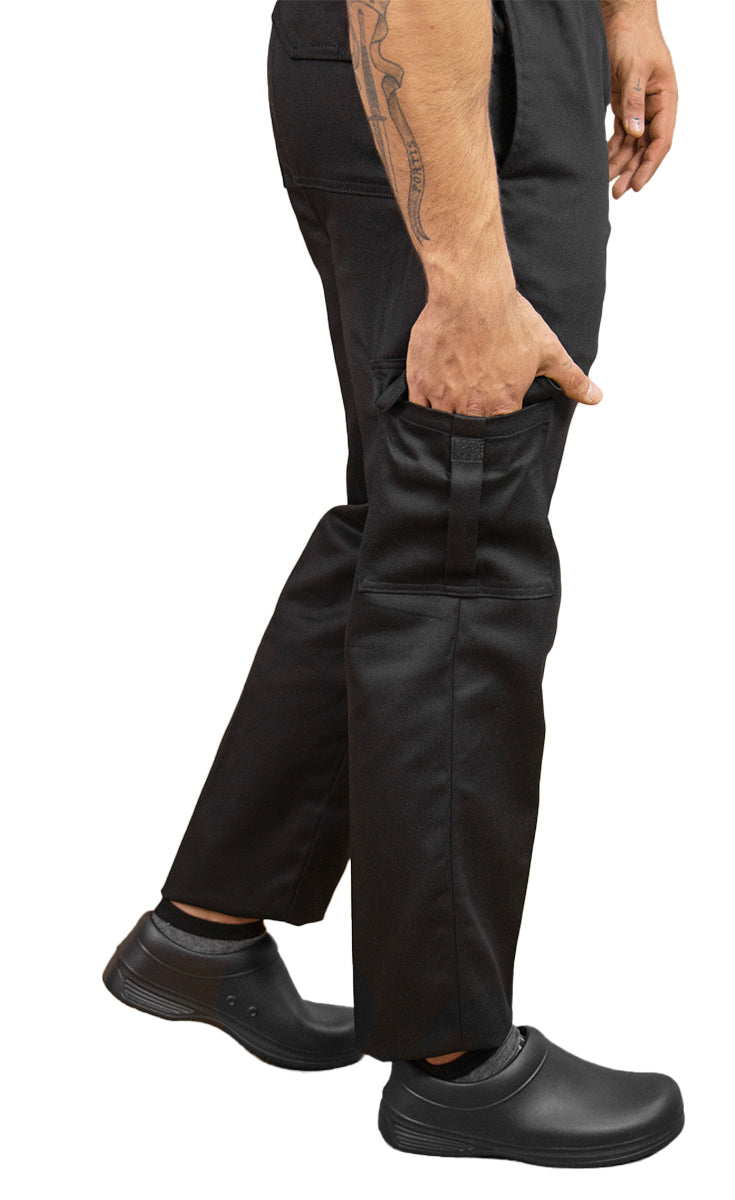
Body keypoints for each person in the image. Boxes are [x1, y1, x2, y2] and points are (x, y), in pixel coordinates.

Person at [104, 0, 682, 1168]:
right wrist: (465, 280)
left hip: (477, 52)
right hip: (445, 51)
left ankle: (207, 927)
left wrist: (624, 10)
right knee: (459, 537)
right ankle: (451, 1060)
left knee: (414, 511)